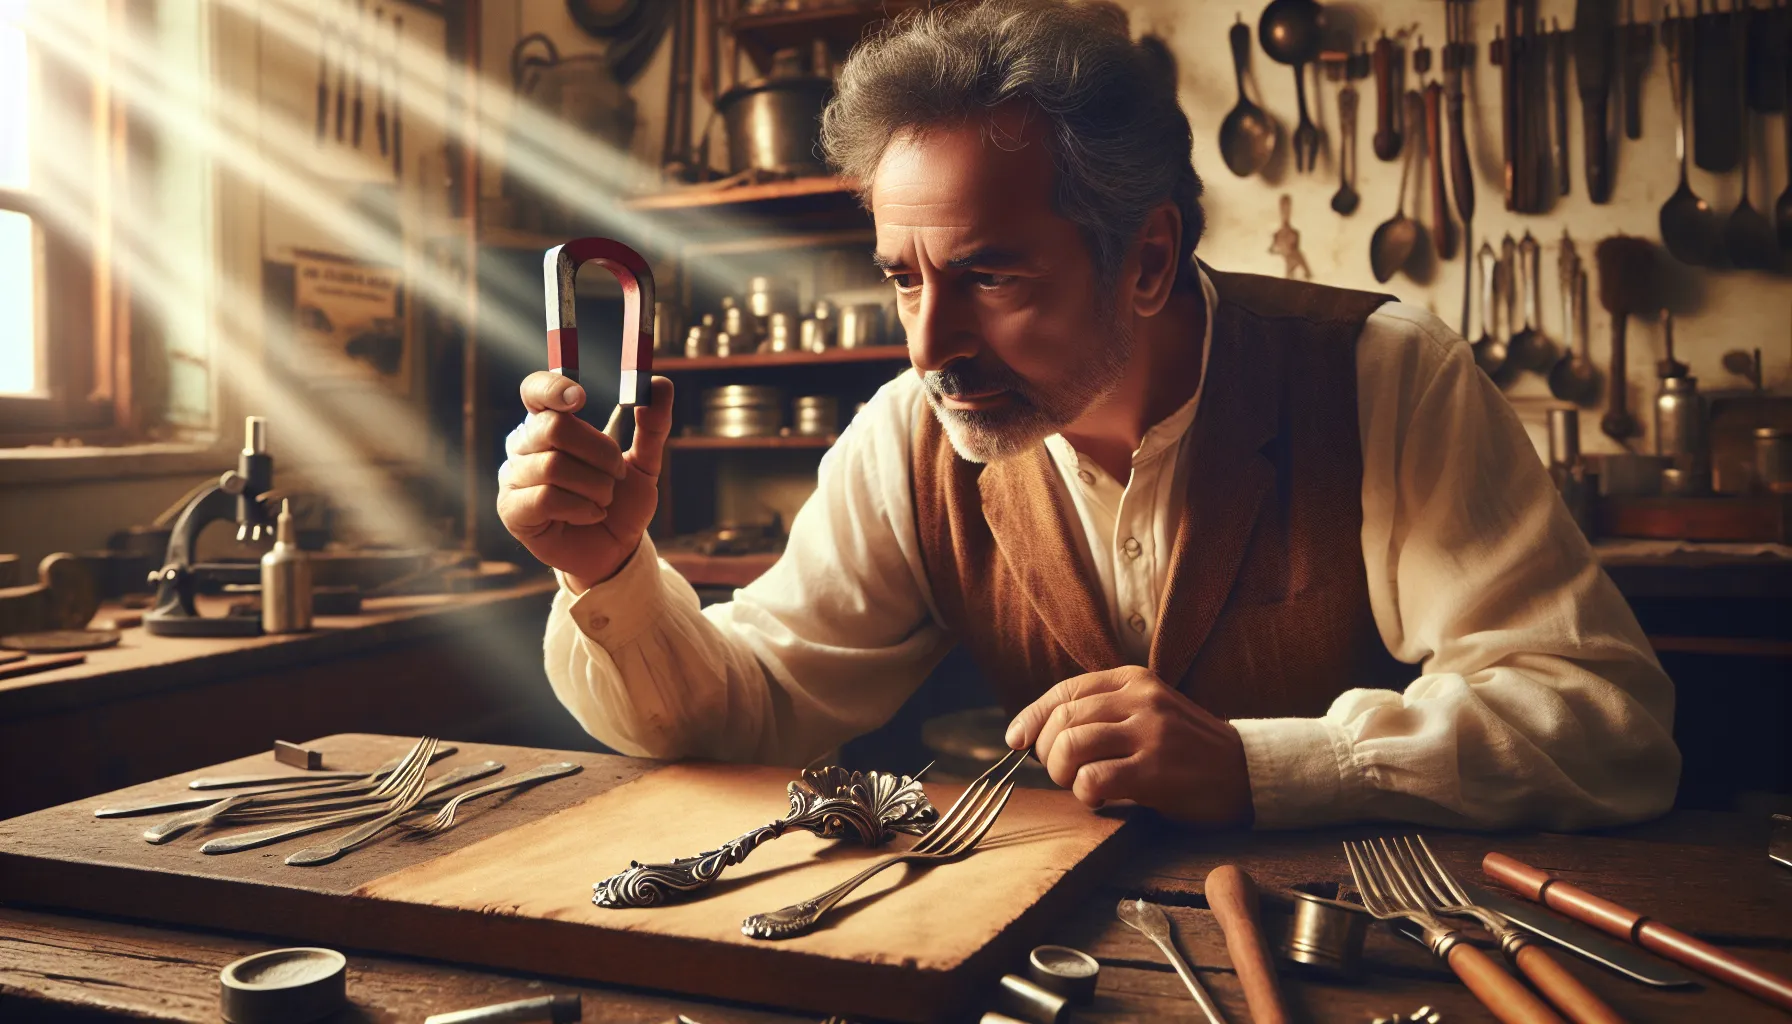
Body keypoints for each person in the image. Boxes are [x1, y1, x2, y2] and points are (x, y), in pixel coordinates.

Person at [497, 0, 1678, 830]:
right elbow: (750, 710)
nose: (931, 346)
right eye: (904, 277)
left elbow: (1602, 722)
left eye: (993, 278)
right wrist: (610, 574)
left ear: (1148, 258)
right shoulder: (910, 431)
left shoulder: (1376, 375)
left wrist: (1268, 765)